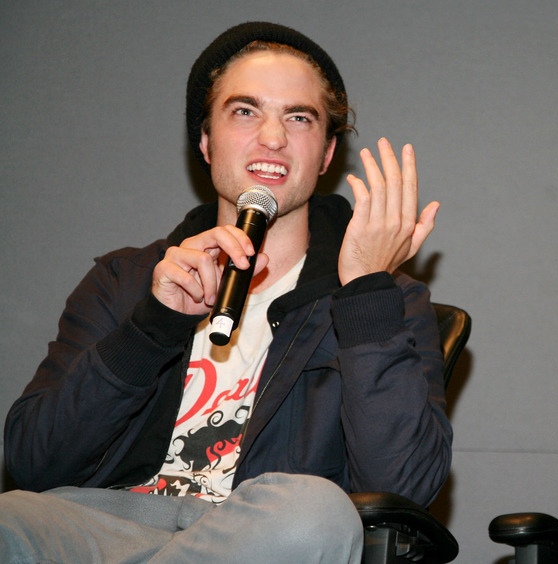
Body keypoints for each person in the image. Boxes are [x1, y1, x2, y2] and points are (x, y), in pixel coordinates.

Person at [1, 21, 451, 563]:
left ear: (328, 154)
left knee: (315, 513)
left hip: (257, 532)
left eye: (299, 117)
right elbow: (33, 463)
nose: (273, 137)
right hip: (104, 524)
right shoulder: (124, 279)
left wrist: (365, 292)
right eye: (245, 111)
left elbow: (403, 487)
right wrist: (152, 326)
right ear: (205, 140)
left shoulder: (385, 300)